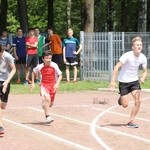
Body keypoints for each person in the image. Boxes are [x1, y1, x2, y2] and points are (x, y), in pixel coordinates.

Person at [108, 36, 147, 128]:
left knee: (138, 101)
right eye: (137, 45)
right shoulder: (127, 55)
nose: (139, 46)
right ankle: (121, 98)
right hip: (124, 82)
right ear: (133, 47)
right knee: (125, 105)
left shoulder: (143, 57)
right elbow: (117, 67)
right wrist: (113, 81)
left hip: (134, 82)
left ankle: (131, 121)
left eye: (140, 45)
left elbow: (145, 70)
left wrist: (143, 77)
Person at [30, 51, 62, 124]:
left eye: (50, 58)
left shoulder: (54, 65)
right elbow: (33, 72)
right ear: (43, 59)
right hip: (44, 85)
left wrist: (57, 84)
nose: (48, 60)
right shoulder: (40, 66)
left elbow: (60, 75)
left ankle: (45, 105)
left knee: (50, 104)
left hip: (53, 85)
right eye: (46, 58)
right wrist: (33, 83)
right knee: (47, 99)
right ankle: (47, 117)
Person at [0, 44, 16, 135]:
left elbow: (13, 69)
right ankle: (0, 126)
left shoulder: (8, 56)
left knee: (3, 106)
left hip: (5, 81)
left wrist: (6, 82)